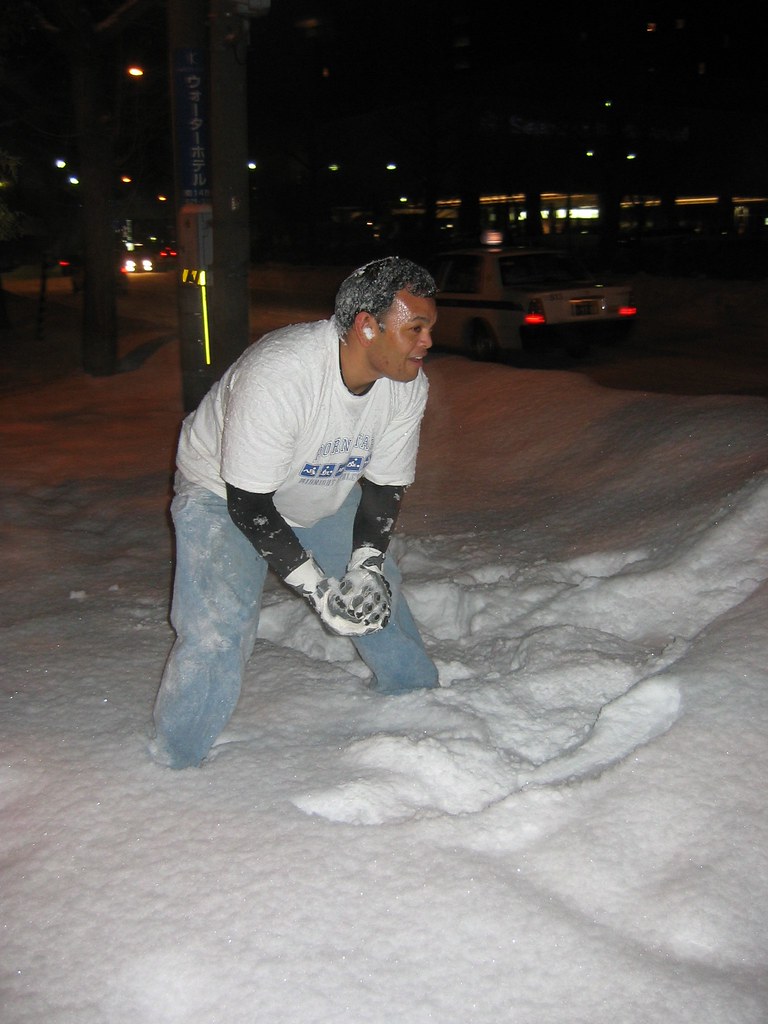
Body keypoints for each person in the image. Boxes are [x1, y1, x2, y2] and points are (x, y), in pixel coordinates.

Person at [150, 256, 440, 769]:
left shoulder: (406, 386)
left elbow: (385, 484)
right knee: (218, 627)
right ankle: (178, 759)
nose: (427, 342)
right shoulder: (281, 375)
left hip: (319, 484)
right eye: (415, 328)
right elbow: (249, 503)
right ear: (366, 326)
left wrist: (365, 564)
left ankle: (420, 703)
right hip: (221, 490)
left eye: (429, 328)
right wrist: (314, 586)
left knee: (374, 595)